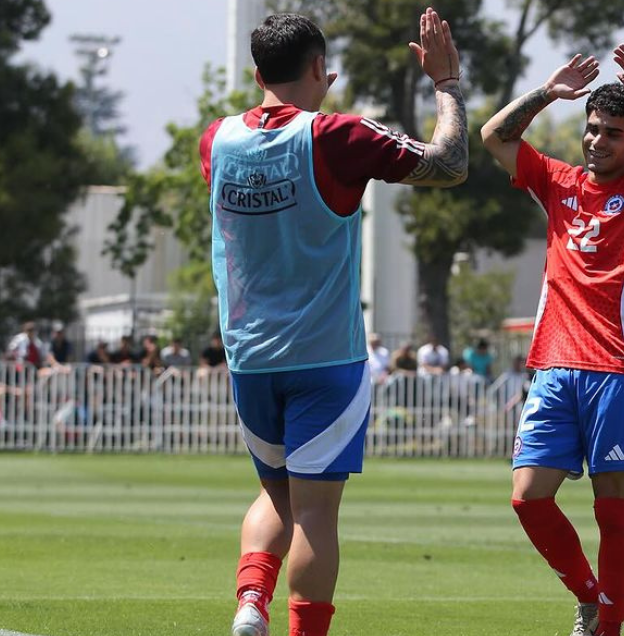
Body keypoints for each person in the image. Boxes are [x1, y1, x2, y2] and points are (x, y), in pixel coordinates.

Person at [199, 9, 467, 636]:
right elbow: (449, 164)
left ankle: (249, 603)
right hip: (325, 357)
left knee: (275, 496)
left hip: (250, 357)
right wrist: (446, 85)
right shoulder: (336, 136)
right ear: (320, 68)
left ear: (257, 70)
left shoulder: (217, 139)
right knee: (316, 513)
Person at [481, 42, 624, 636]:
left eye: (612, 134)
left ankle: (608, 627)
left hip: (619, 370)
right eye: (591, 129)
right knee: (528, 498)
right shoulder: (555, 182)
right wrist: (545, 94)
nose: (596, 140)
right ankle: (589, 594)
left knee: (612, 510)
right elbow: (494, 138)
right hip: (554, 366)